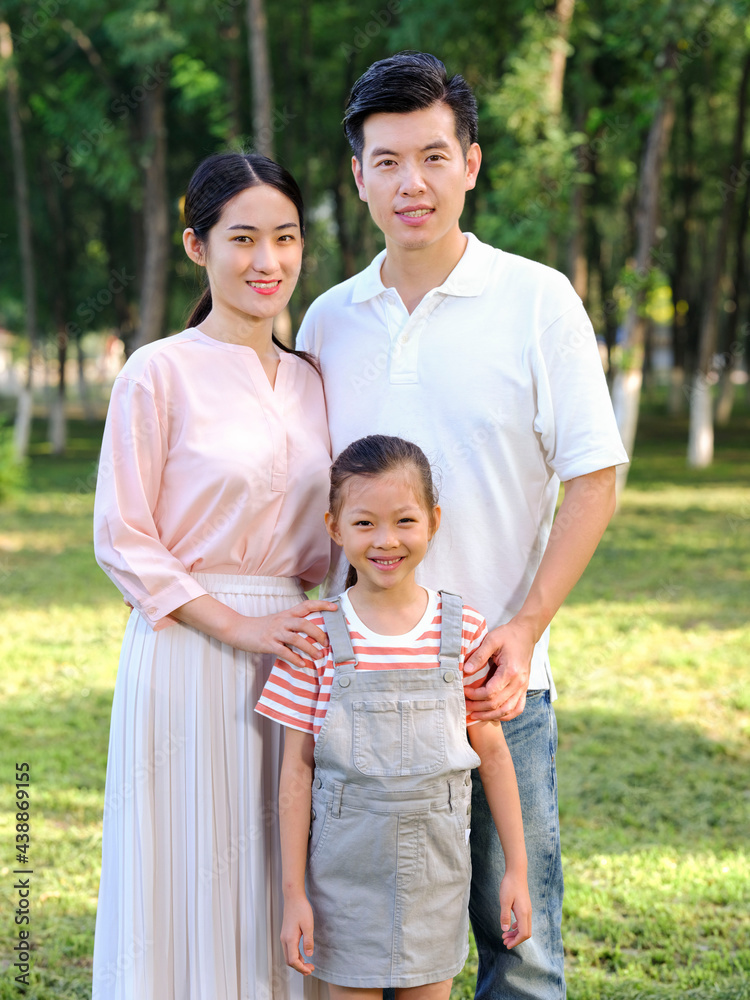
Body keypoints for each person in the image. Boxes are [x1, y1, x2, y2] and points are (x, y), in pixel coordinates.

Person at [295, 53, 629, 1000]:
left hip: (494, 685)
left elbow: (594, 480)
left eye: (434, 156)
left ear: (471, 164)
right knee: (372, 946)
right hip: (358, 692)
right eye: (388, 161)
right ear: (357, 177)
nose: (413, 183)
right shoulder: (327, 320)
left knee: (519, 949)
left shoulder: (538, 300)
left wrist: (523, 629)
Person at [92, 152, 336, 1000]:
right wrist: (235, 625)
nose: (267, 261)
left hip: (299, 651)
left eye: (285, 237)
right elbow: (123, 537)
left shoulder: (313, 381)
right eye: (243, 239)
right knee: (187, 867)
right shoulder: (158, 371)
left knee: (279, 871)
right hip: (189, 652)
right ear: (198, 247)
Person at [256, 435, 532, 998]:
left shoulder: (464, 632)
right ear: (335, 527)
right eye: (364, 524)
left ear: (433, 521)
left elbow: (495, 756)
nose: (386, 541)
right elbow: (295, 773)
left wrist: (517, 872)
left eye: (404, 520)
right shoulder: (314, 636)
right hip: (343, 884)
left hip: (438, 877)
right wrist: (294, 895)